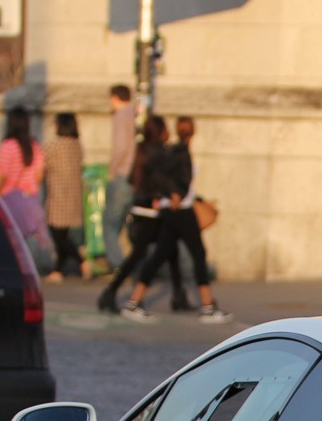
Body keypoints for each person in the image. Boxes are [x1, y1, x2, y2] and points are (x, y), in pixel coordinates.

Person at [120, 116, 231, 323]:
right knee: (198, 254)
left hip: (172, 209)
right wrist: (174, 193)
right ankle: (207, 306)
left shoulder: (172, 151)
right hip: (181, 211)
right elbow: (168, 177)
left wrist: (167, 193)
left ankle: (133, 302)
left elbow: (155, 173)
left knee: (159, 256)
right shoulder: (180, 152)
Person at [98, 116, 185, 314]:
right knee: (142, 255)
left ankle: (178, 293)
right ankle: (115, 292)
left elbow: (134, 179)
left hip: (141, 207)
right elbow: (160, 180)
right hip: (152, 211)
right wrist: (164, 195)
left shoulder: (141, 150)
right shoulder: (159, 152)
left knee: (168, 250)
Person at [0, 107, 53, 273]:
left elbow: (4, 175)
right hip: (31, 198)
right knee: (31, 237)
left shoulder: (7, 146)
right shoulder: (34, 146)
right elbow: (39, 174)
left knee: (11, 238)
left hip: (10, 198)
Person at [43, 112, 90, 283]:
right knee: (62, 234)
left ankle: (81, 261)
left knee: (57, 233)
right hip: (73, 194)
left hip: (58, 193)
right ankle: (58, 269)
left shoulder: (54, 145)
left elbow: (43, 165)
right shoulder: (77, 145)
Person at [104, 84, 137, 270]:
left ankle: (117, 263)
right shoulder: (136, 114)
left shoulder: (120, 116)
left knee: (109, 221)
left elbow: (120, 148)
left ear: (115, 97)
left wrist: (112, 169)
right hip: (136, 175)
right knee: (130, 221)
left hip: (123, 174)